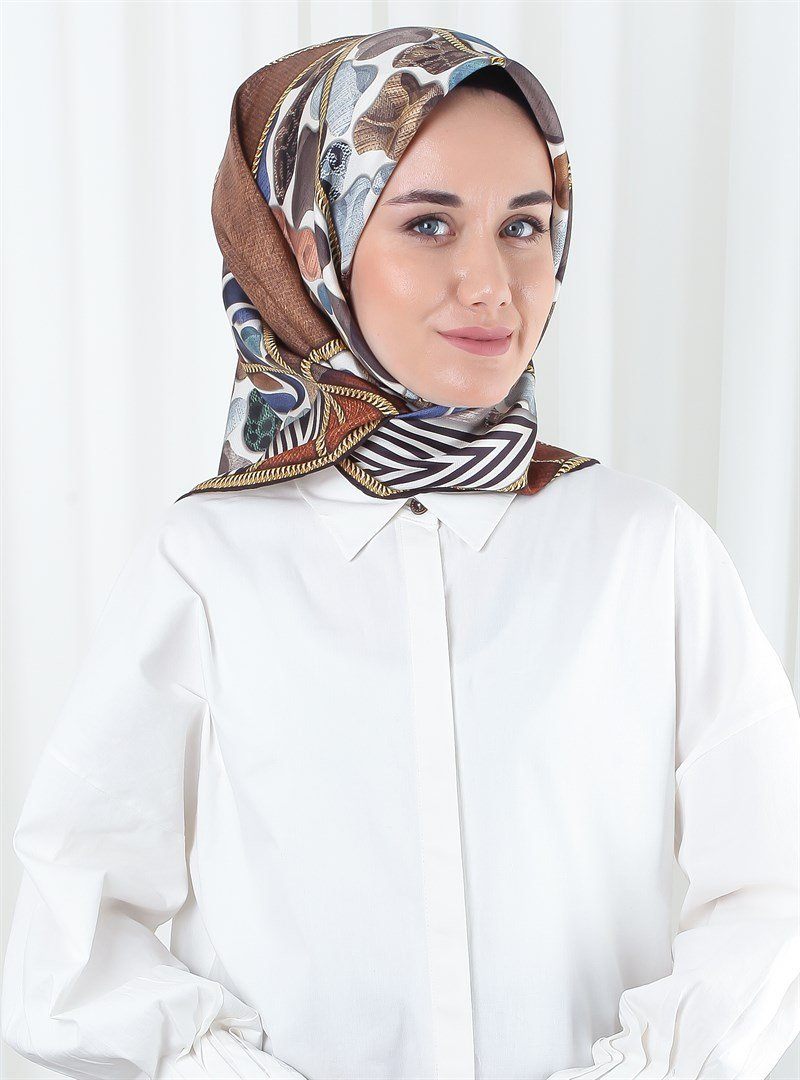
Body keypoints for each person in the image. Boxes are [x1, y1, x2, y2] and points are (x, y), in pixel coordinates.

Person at [2, 25, 798, 1080]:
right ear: (313, 247)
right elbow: (73, 920)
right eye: (428, 223)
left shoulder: (646, 550)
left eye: (524, 225)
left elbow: (775, 886)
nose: (491, 282)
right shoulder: (207, 562)